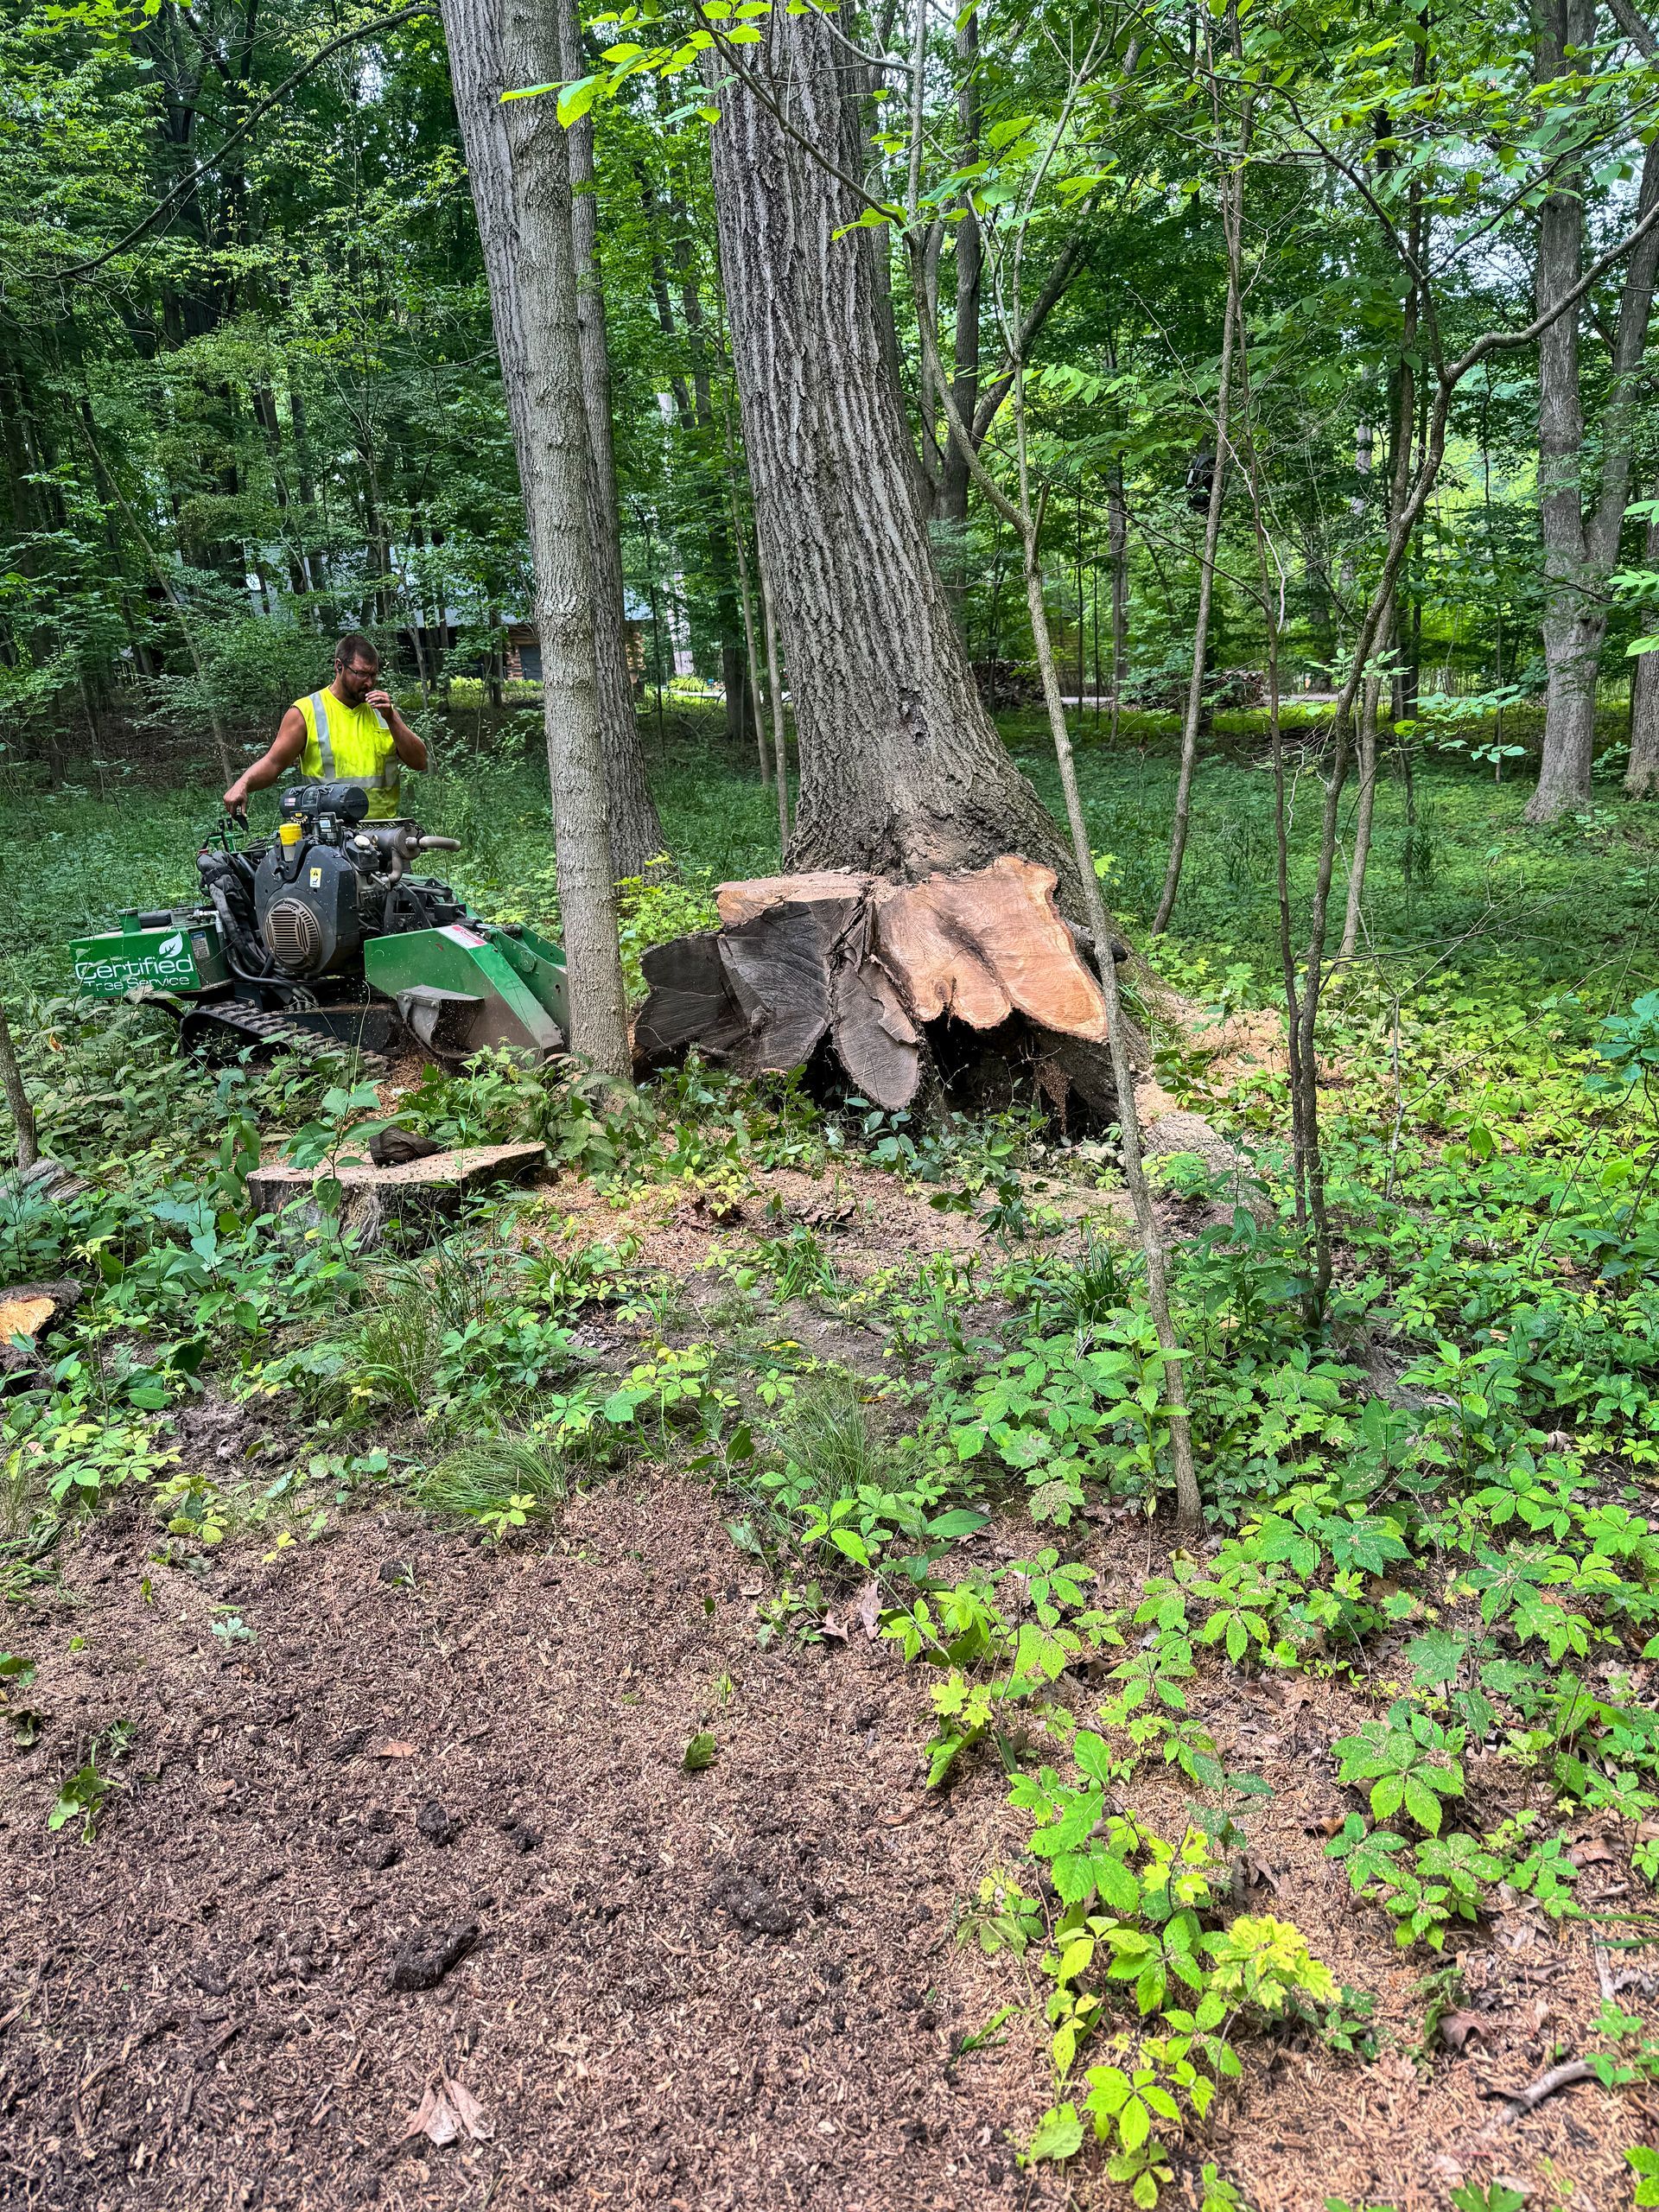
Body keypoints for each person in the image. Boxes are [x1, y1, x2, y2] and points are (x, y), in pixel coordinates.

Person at [222, 633, 428, 821]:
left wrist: (392, 718)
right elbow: (274, 763)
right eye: (362, 674)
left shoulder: (383, 711)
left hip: (384, 834)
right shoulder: (306, 711)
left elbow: (419, 761)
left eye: (374, 675)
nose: (369, 683)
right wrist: (243, 783)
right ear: (339, 666)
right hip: (329, 838)